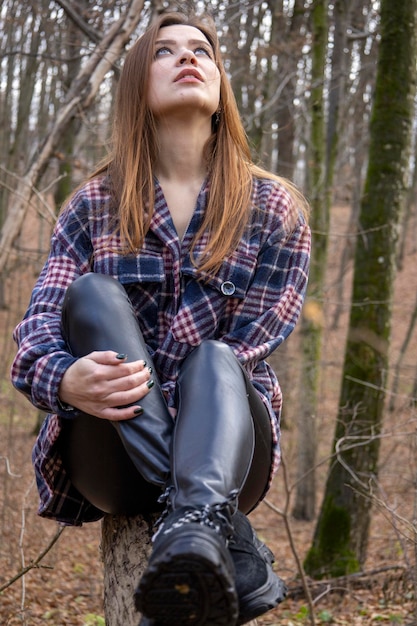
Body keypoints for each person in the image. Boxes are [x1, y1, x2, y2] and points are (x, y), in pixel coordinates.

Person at [11, 11, 310, 626]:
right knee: (92, 295)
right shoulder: (92, 205)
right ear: (136, 90)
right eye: (163, 51)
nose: (187, 58)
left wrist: (171, 399)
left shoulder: (274, 208)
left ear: (222, 85)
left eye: (202, 49)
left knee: (218, 357)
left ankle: (194, 524)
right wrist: (65, 379)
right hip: (112, 451)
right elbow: (35, 331)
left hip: (231, 453)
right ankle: (219, 539)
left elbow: (251, 346)